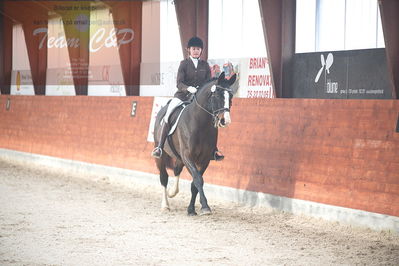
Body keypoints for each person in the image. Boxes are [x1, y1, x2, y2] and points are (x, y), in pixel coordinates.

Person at [151, 36, 224, 161]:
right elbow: (179, 83)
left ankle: (213, 149)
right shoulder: (184, 64)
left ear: (201, 51)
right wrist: (188, 88)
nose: (196, 51)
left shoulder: (205, 65)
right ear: (188, 50)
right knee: (168, 114)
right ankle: (159, 147)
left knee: (212, 117)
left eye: (198, 49)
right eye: (193, 49)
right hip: (182, 96)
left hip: (199, 98)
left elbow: (207, 82)